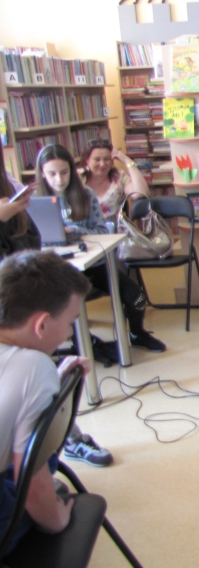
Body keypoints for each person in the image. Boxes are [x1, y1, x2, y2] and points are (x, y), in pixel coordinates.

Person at [1, 145, 112, 468]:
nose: (59, 178)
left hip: (20, 292)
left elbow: (30, 240)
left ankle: (64, 441)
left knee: (39, 377)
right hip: (11, 301)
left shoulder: (11, 188)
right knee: (32, 378)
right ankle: (45, 454)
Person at [0, 250, 93, 553]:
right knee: (41, 464)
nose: (68, 334)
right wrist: (57, 520)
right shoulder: (33, 367)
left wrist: (50, 380)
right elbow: (33, 487)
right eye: (70, 323)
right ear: (41, 325)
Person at [35, 144, 166, 354]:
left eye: (64, 172)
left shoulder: (85, 194)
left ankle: (137, 333)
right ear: (42, 174)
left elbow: (100, 230)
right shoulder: (35, 201)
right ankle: (84, 343)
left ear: (71, 170)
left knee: (135, 296)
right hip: (57, 270)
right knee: (65, 304)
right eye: (52, 174)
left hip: (93, 264)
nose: (59, 179)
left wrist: (71, 230)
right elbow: (33, 239)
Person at [78, 138, 149, 222]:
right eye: (97, 159)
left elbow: (139, 193)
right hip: (84, 228)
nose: (102, 164)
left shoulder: (119, 177)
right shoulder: (77, 178)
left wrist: (127, 161)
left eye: (107, 159)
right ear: (87, 160)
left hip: (113, 229)